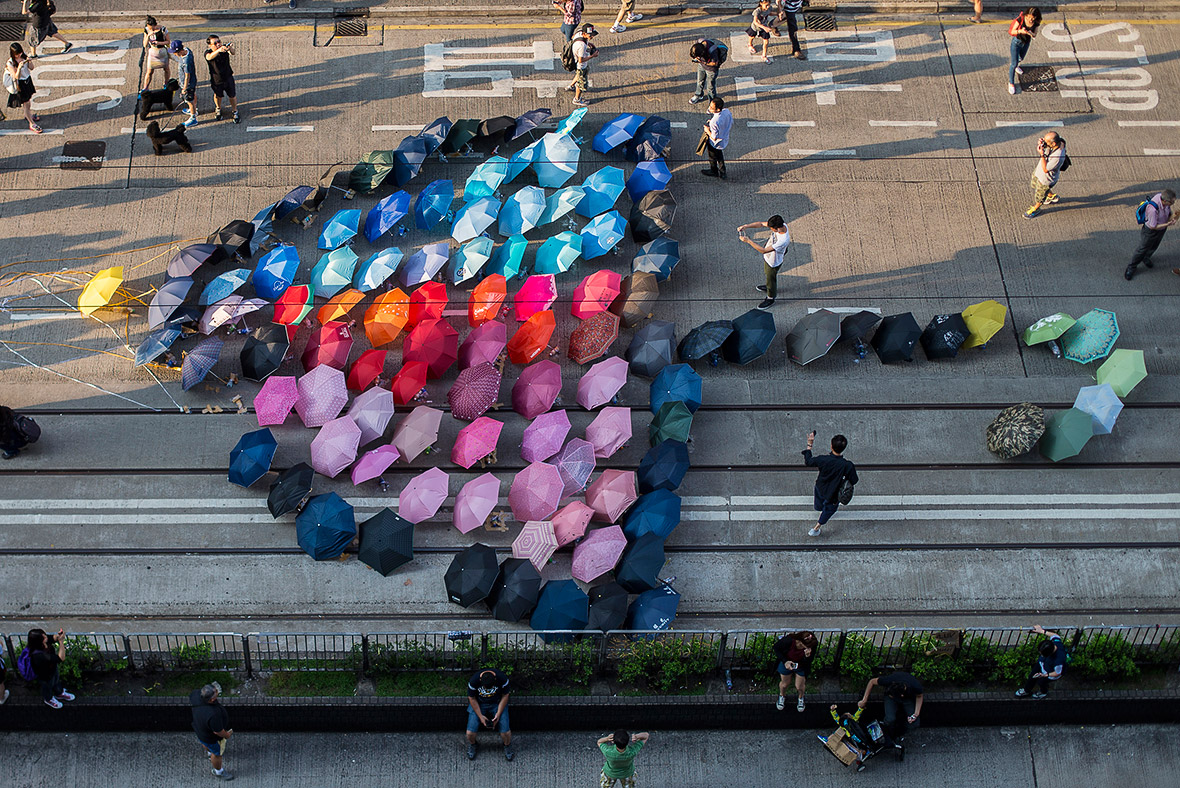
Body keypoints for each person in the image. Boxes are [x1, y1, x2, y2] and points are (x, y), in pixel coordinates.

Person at [802, 431, 858, 537]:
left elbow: (808, 461)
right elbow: (854, 480)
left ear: (831, 446)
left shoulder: (823, 460)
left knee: (819, 504)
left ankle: (819, 509)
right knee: (829, 510)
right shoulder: (847, 465)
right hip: (833, 493)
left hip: (820, 487)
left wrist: (810, 444)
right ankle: (816, 528)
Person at [859, 670, 923, 754]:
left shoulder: (915, 686)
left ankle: (896, 734)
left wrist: (916, 713)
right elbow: (872, 682)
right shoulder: (889, 680)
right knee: (890, 719)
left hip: (908, 699)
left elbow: (919, 696)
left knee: (915, 723)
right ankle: (885, 732)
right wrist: (864, 700)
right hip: (892, 697)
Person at [737, 214, 790, 309]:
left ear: (776, 228)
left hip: (773, 261)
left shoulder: (783, 240)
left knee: (770, 277)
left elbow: (763, 250)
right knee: (768, 276)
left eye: (771, 228)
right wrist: (746, 226)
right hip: (770, 256)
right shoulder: (783, 226)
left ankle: (770, 297)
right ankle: (769, 286)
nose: (770, 229)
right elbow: (761, 224)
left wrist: (748, 241)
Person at [1126, 188, 1176, 280]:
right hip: (1151, 231)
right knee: (1142, 249)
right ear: (1165, 201)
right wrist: (1168, 224)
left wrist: (1171, 216)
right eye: (1171, 203)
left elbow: (1168, 210)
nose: (1172, 204)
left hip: (1161, 229)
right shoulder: (1153, 209)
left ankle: (1146, 257)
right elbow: (1153, 226)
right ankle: (1131, 267)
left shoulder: (1164, 201)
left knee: (1154, 245)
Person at [466, 666, 514, 761]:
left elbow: (505, 696)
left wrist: (498, 714)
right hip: (479, 703)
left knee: (505, 731)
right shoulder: (473, 681)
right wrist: (480, 716)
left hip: (497, 703)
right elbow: (471, 698)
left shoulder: (502, 679)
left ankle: (507, 745)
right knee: (470, 733)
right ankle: (473, 744)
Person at [190, 682, 234, 781]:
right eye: (216, 692)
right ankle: (218, 771)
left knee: (206, 744)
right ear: (212, 699)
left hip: (200, 730)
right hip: (211, 738)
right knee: (217, 754)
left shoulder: (195, 695)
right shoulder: (213, 715)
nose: (217, 691)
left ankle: (209, 753)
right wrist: (227, 735)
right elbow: (218, 731)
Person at [26, 628, 76, 709]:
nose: (46, 637)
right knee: (47, 687)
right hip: (44, 675)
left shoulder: (43, 642)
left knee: (56, 681)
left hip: (52, 669)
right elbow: (61, 658)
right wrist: (61, 642)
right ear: (39, 640)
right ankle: (48, 699)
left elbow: (53, 638)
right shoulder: (39, 655)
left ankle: (59, 693)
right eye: (44, 637)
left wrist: (59, 636)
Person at [1014, 624, 1067, 698]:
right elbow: (1055, 635)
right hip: (1043, 664)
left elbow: (1057, 672)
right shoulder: (1056, 643)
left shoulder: (1059, 659)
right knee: (1032, 676)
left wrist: (1046, 675)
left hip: (1049, 672)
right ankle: (1026, 690)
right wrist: (1042, 631)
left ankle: (1043, 692)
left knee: (1042, 682)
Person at [1023, 130, 1064, 219]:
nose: (1045, 143)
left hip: (1046, 179)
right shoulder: (1060, 142)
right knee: (1034, 185)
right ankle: (1050, 196)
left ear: (1053, 143)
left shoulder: (1058, 157)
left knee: (1039, 196)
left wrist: (1042, 154)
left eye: (1046, 142)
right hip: (1039, 173)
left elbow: (1046, 169)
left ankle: (1036, 208)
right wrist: (1043, 144)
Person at [775, 630, 818, 711]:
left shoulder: (812, 645)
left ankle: (801, 698)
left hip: (801, 666)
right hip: (787, 663)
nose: (807, 648)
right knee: (784, 684)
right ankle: (782, 695)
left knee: (799, 686)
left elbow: (809, 661)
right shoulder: (789, 641)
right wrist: (785, 661)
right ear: (800, 642)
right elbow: (776, 648)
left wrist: (807, 656)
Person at [204, 35, 240, 123]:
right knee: (218, 95)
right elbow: (209, 57)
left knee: (232, 95)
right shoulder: (208, 53)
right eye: (215, 43)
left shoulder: (224, 49)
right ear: (210, 45)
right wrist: (218, 50)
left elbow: (233, 53)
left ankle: (235, 110)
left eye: (219, 41)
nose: (218, 44)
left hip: (228, 77)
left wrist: (230, 49)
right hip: (216, 79)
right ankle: (218, 108)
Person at [1007, 7, 1041, 94]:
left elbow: (1034, 35)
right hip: (1016, 43)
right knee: (1013, 64)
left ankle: (1016, 65)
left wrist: (1030, 33)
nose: (1030, 20)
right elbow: (1011, 31)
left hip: (1026, 43)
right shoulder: (1020, 20)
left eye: (1032, 18)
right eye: (1028, 17)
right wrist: (1020, 31)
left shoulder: (1036, 23)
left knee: (1021, 58)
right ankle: (1011, 83)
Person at [567, 23, 598, 108]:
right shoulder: (582, 46)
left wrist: (588, 43)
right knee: (581, 83)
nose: (592, 37)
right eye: (590, 35)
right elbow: (580, 60)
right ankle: (577, 99)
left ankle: (571, 85)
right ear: (584, 34)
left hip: (575, 62)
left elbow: (573, 37)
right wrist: (592, 56)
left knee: (578, 74)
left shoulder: (579, 33)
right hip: (580, 65)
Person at [701, 96, 732, 180]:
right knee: (720, 156)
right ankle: (722, 172)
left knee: (713, 157)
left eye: (711, 107)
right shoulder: (727, 112)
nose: (709, 108)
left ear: (718, 109)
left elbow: (714, 137)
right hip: (724, 138)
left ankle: (714, 171)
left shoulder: (715, 122)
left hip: (715, 143)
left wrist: (707, 130)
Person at [170, 39, 198, 128]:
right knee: (193, 95)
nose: (174, 54)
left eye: (174, 52)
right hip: (192, 82)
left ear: (179, 51)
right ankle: (193, 110)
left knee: (189, 100)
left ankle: (193, 117)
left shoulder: (186, 62)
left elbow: (187, 76)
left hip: (188, 84)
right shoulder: (187, 50)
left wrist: (184, 88)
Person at [689, 38, 726, 105]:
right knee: (700, 81)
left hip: (711, 70)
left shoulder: (712, 50)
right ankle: (698, 94)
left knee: (710, 87)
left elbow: (715, 63)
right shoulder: (700, 42)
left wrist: (704, 62)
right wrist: (700, 61)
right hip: (701, 66)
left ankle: (712, 102)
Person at [141, 15, 171, 91]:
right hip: (153, 52)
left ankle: (166, 84)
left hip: (162, 52)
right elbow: (144, 45)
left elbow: (168, 41)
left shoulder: (163, 29)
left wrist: (159, 43)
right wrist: (148, 36)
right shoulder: (147, 30)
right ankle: (145, 88)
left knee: (166, 69)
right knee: (149, 71)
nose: (152, 29)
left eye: (153, 27)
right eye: (150, 28)